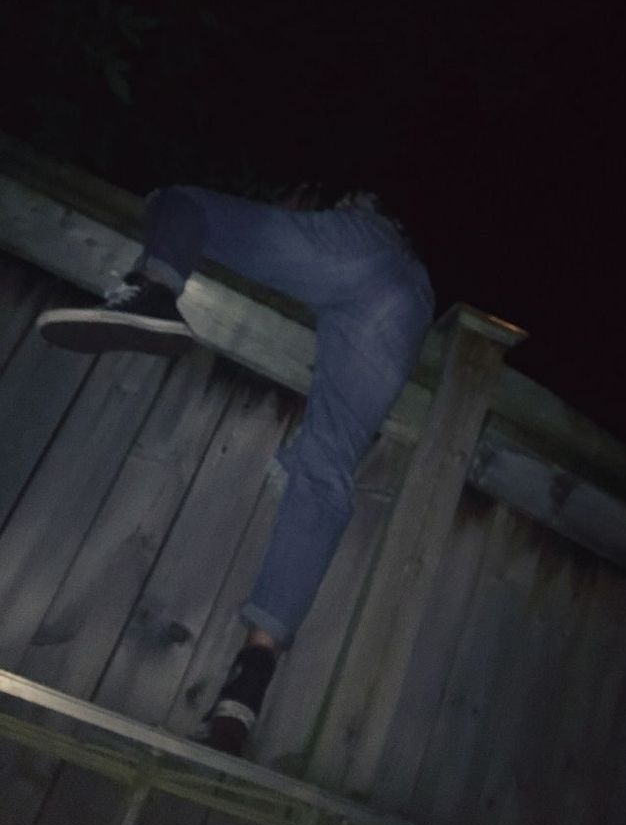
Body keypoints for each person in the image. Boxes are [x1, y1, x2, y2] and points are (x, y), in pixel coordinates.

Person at [36, 183, 434, 755]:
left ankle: (154, 290)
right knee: (325, 469)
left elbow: (287, 230)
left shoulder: (346, 227)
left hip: (368, 243)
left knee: (180, 202)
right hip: (414, 304)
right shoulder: (404, 263)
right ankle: (252, 674)